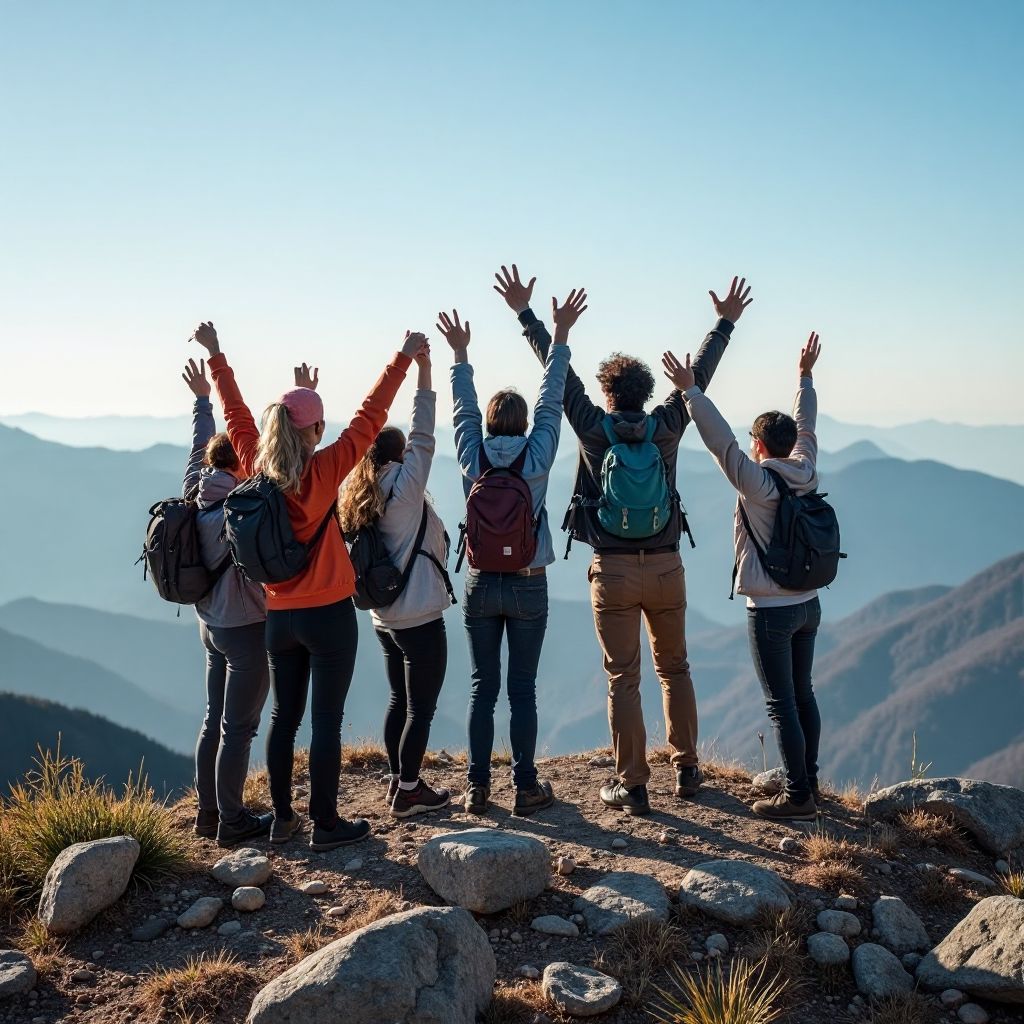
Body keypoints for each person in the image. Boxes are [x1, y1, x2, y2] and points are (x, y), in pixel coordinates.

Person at [496, 264, 752, 816]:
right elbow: (697, 379)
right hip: (665, 565)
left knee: (623, 677)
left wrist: (533, 319)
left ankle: (632, 784)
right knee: (675, 667)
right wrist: (723, 324)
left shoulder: (592, 428)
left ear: (608, 394)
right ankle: (687, 769)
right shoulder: (667, 426)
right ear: (648, 392)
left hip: (610, 569)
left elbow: (557, 377)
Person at [192, 320, 424, 850]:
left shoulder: (253, 466)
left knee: (283, 717)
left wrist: (217, 355)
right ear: (315, 431)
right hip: (329, 616)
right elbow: (371, 418)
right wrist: (403, 357)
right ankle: (326, 824)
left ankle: (282, 818)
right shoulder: (325, 470)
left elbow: (237, 416)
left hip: (278, 618)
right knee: (326, 720)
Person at [665, 333, 824, 821]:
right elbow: (807, 423)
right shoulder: (806, 467)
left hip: (771, 611)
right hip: (809, 602)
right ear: (789, 445)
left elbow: (720, 443)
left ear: (758, 445)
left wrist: (691, 392)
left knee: (781, 704)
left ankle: (798, 799)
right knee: (804, 693)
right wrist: (805, 376)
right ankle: (809, 781)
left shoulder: (758, 483)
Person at [439, 292, 582, 816]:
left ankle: (477, 787)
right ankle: (525, 787)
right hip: (527, 579)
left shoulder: (471, 454)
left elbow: (463, 409)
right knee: (523, 688)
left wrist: (459, 356)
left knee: (482, 688)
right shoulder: (538, 454)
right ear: (523, 424)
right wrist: (559, 336)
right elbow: (551, 397)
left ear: (488, 424)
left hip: (479, 581)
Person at [338, 341, 455, 819]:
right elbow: (425, 431)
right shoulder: (406, 487)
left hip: (383, 617)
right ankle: (408, 790)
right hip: (419, 615)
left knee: (398, 699)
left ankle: (397, 779)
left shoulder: (359, 492)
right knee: (421, 708)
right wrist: (426, 372)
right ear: (401, 456)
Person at [181, 356, 270, 846]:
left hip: (208, 623)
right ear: (238, 463)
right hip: (245, 629)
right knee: (239, 727)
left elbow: (199, 446)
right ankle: (233, 822)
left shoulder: (195, 491)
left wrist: (202, 400)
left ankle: (208, 813)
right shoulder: (239, 509)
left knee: (214, 718)